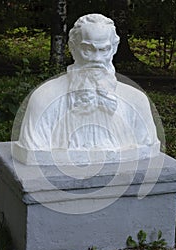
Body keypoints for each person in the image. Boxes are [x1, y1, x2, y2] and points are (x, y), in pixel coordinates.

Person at [12, 14, 160, 165]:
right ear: (73, 48)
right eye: (87, 49)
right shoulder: (45, 98)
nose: (96, 58)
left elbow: (147, 148)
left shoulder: (136, 101)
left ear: (114, 48)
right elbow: (33, 153)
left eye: (104, 49)